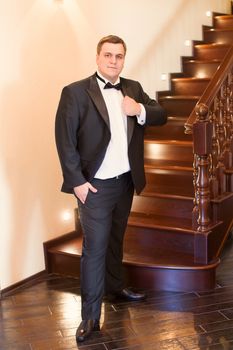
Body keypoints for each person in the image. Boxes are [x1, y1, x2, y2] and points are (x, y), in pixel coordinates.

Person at [55, 35, 167, 342]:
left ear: (123, 59)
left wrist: (139, 110)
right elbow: (64, 141)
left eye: (119, 56)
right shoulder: (76, 92)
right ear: (98, 57)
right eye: (108, 55)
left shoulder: (132, 88)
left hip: (125, 182)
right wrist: (77, 181)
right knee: (94, 249)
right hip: (94, 187)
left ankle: (116, 288)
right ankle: (90, 317)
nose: (113, 60)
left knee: (117, 239)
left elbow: (161, 114)